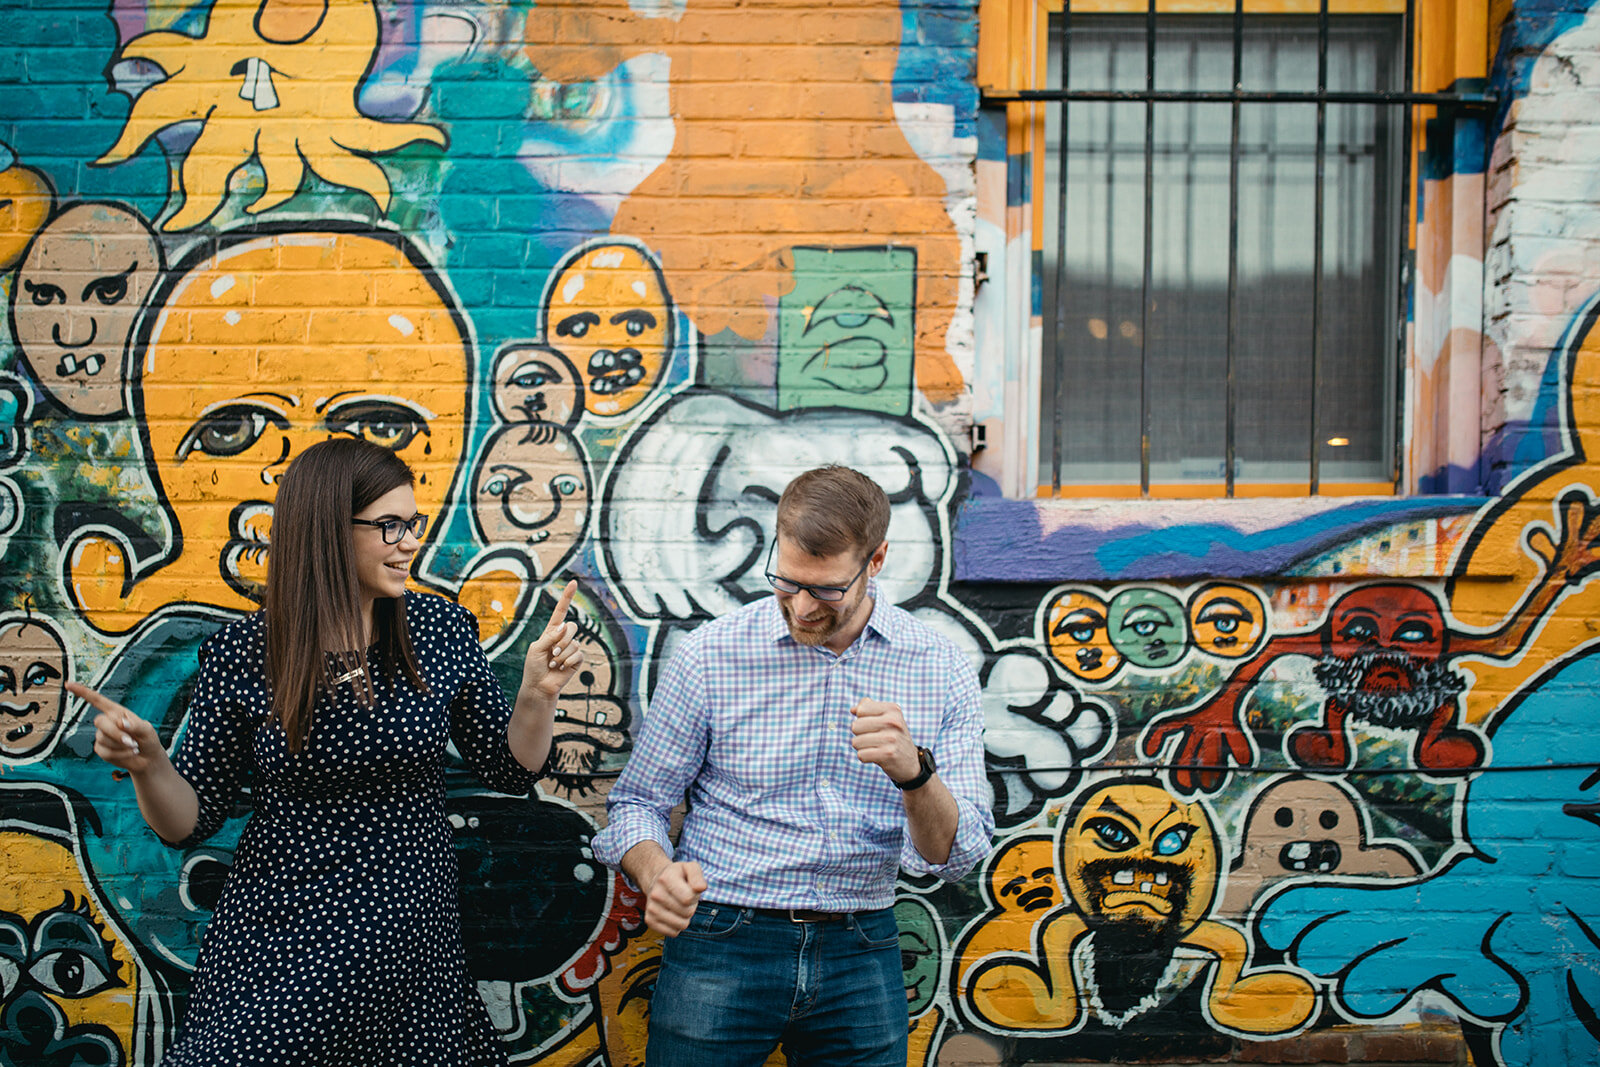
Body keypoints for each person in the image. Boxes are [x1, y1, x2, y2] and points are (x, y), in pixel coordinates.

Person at [67, 437, 586, 1066]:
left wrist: (535, 694)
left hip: (408, 928)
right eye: (390, 525)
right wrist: (149, 765)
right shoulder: (244, 652)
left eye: (412, 522)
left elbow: (509, 770)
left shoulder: (440, 630)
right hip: (283, 925)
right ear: (327, 532)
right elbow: (188, 822)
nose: (410, 541)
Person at [591, 464, 994, 1066]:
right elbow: (636, 804)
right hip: (720, 940)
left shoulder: (940, 666)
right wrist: (657, 874)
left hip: (862, 946)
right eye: (787, 580)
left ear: (876, 560)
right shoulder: (712, 654)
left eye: (827, 589)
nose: (802, 606)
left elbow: (954, 855)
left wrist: (915, 773)